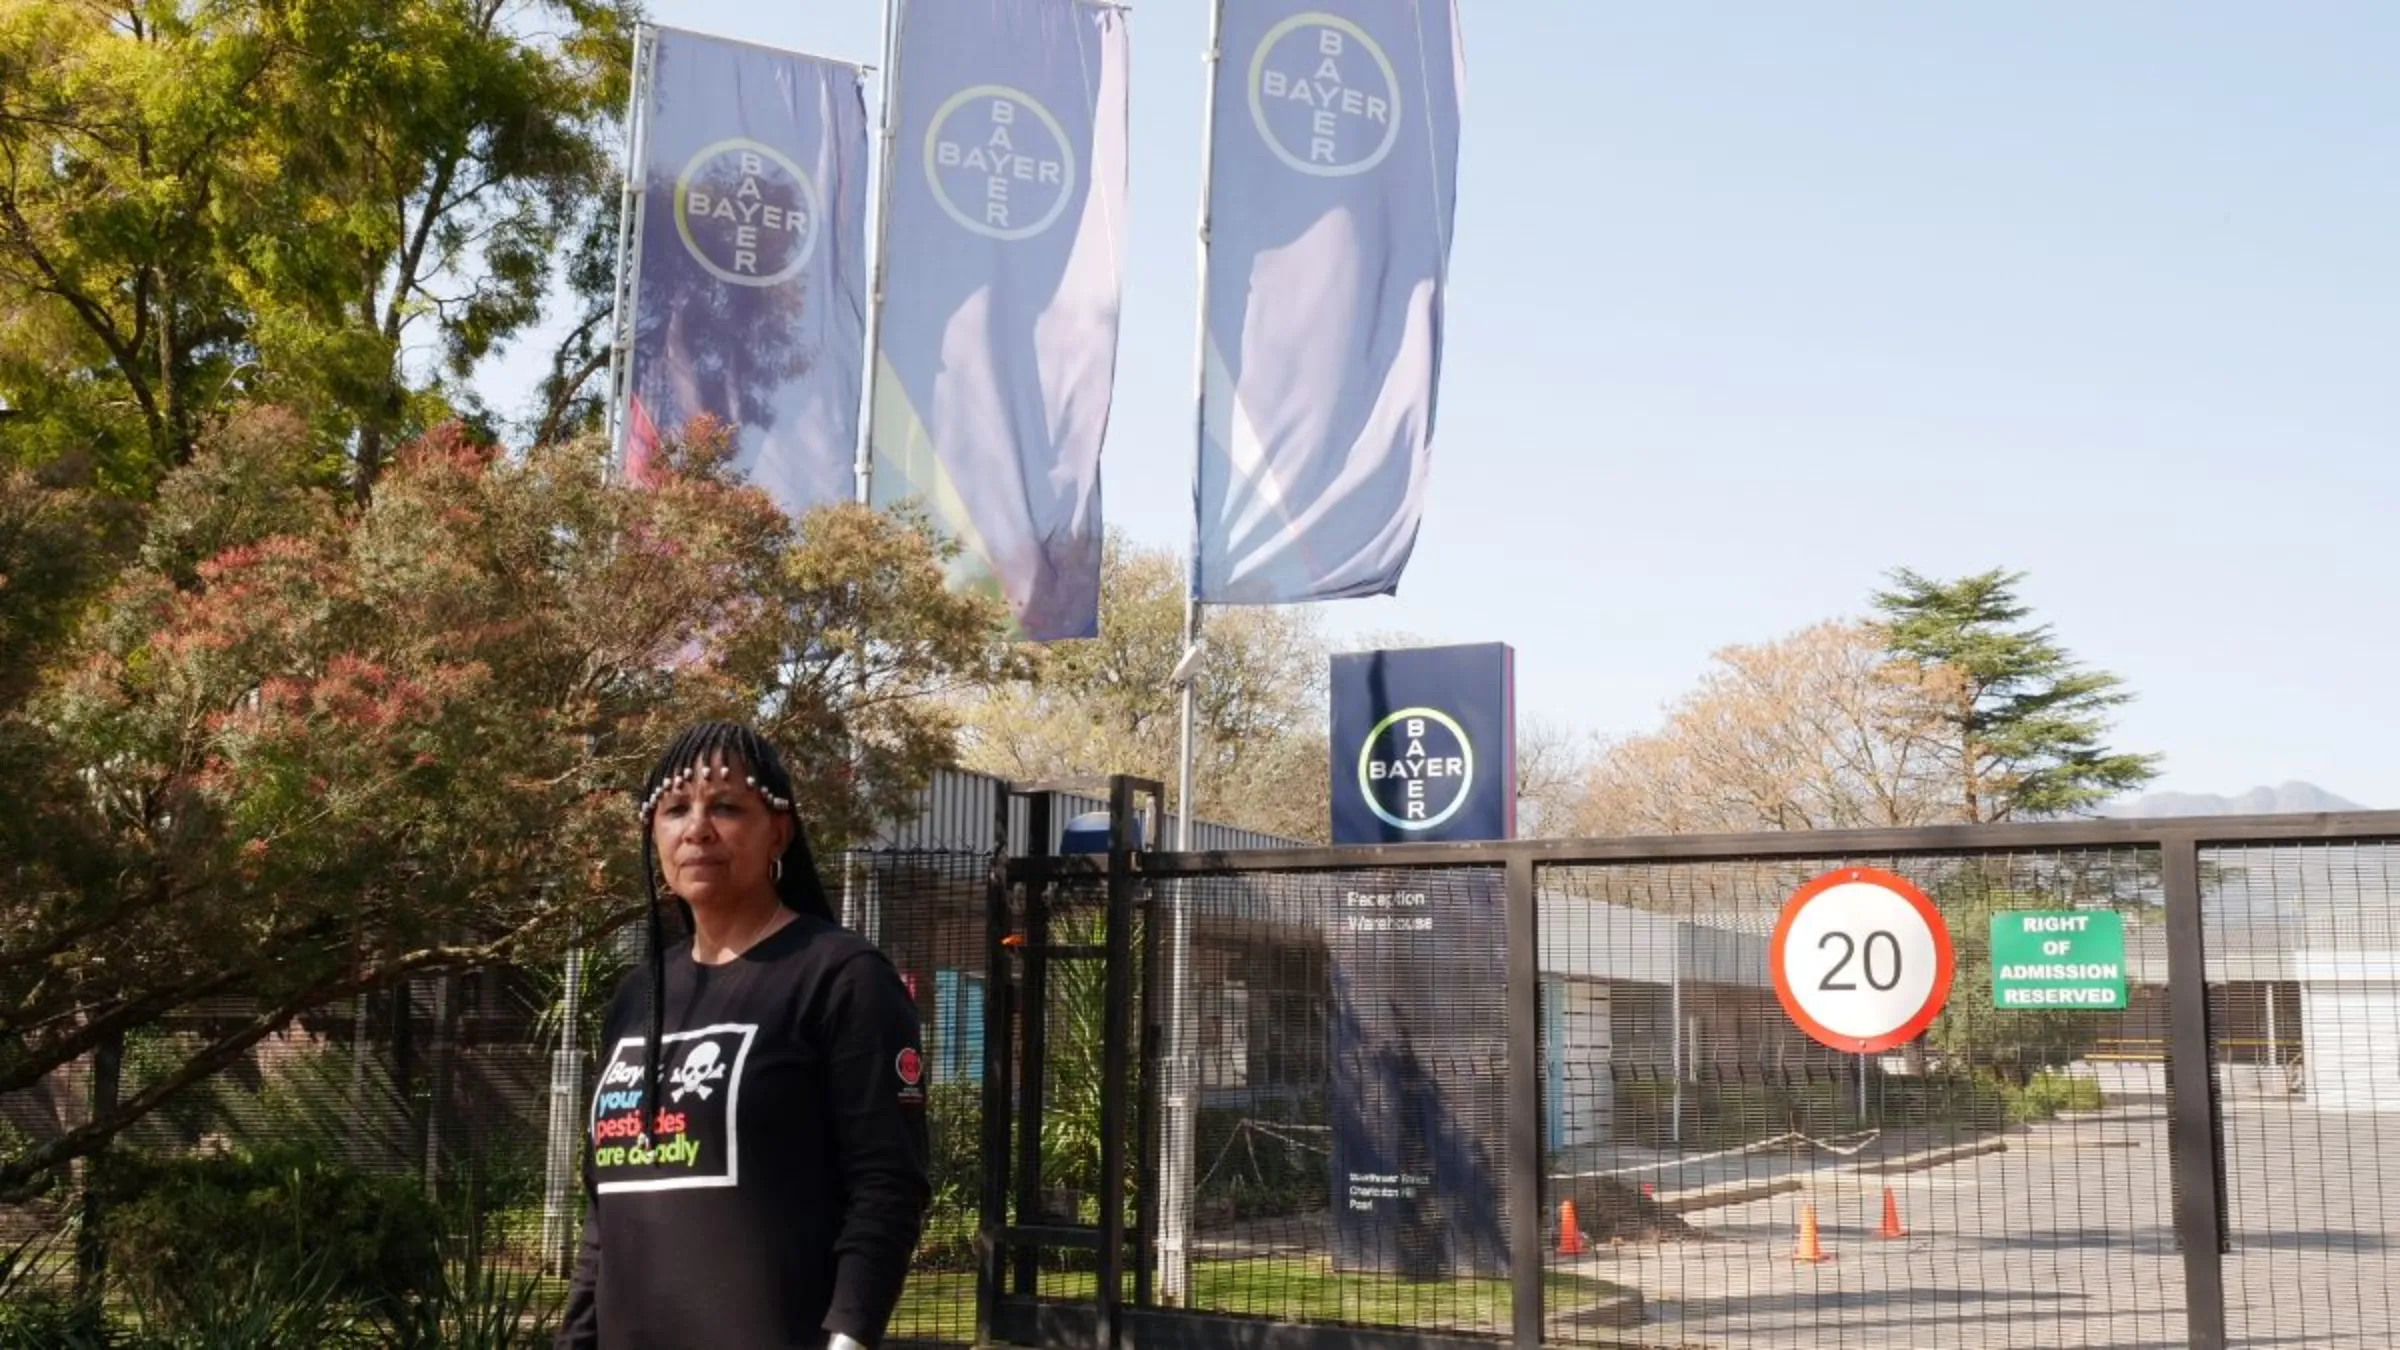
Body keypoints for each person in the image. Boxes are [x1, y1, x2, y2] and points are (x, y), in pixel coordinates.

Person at [558, 721, 931, 1350]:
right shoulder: (634, 997)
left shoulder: (841, 979)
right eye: (675, 809)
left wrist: (850, 1337)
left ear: (778, 832)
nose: (697, 829)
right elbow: (607, 1208)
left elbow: (888, 1183)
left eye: (727, 807)